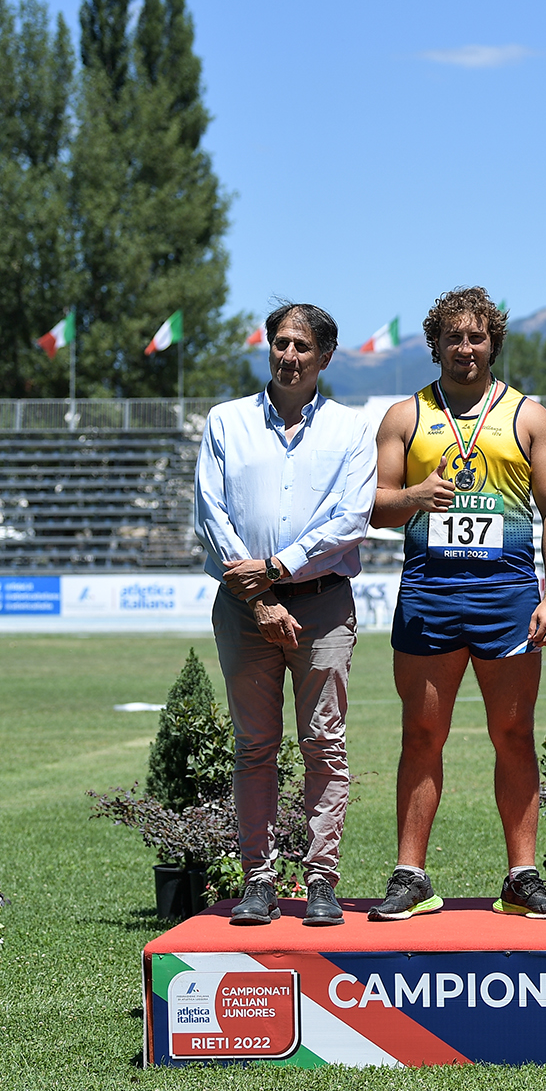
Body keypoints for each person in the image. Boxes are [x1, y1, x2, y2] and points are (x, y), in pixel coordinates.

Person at [368, 288, 546, 921]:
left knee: (513, 733)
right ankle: (410, 875)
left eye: (476, 337)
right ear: (436, 345)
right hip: (429, 592)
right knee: (421, 733)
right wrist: (415, 495)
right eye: (453, 337)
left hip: (506, 594)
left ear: (493, 344)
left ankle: (521, 876)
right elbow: (375, 506)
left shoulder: (529, 416)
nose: (465, 348)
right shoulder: (405, 417)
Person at [194, 303, 376, 927]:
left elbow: (351, 518)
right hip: (244, 608)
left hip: (322, 605)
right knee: (254, 747)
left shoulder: (351, 429)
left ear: (325, 356)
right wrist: (259, 595)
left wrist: (276, 568)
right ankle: (259, 881)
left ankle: (321, 880)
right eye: (280, 343)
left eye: (302, 346)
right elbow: (210, 514)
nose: (289, 356)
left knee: (324, 744)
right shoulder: (226, 421)